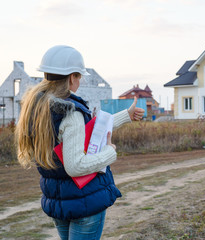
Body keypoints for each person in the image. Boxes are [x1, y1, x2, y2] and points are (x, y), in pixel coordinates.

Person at [15, 45, 144, 240]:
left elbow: (87, 134)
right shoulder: (70, 111)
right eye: (79, 76)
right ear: (72, 77)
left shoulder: (37, 107)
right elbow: (76, 166)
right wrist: (110, 153)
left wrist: (126, 115)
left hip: (59, 201)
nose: (80, 80)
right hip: (84, 202)